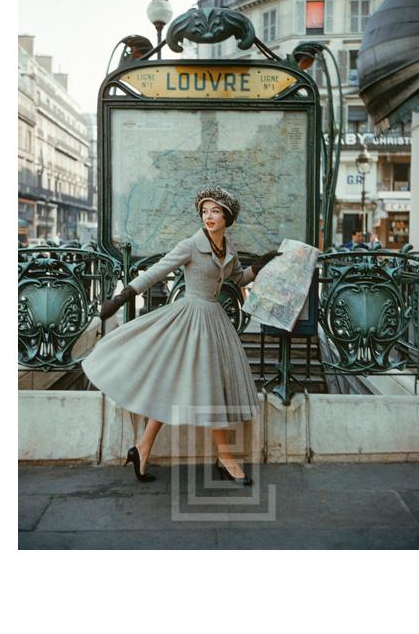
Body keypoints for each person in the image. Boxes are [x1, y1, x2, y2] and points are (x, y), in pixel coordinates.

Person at [82, 186, 280, 485]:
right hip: (190, 319)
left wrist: (259, 266)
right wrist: (122, 297)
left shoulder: (228, 248)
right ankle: (225, 458)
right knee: (207, 387)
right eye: (204, 211)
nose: (208, 216)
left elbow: (238, 278)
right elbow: (157, 272)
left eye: (215, 211)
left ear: (226, 217)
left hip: (213, 320)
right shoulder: (190, 245)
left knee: (175, 384)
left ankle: (142, 448)